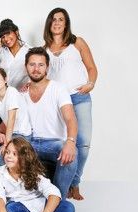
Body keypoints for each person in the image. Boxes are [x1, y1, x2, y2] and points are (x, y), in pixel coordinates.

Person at [44, 8, 98, 200]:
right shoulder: (44, 49)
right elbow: (39, 73)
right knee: (64, 142)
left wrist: (90, 83)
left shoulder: (78, 43)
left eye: (61, 20)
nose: (57, 23)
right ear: (49, 24)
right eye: (53, 20)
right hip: (57, 102)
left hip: (79, 97)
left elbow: (91, 67)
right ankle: (65, 184)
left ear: (66, 23)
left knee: (83, 143)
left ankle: (75, 183)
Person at [23, 47, 78, 199]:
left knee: (71, 155)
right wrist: (1, 133)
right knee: (4, 154)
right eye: (32, 64)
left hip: (53, 143)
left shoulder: (58, 89)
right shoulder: (20, 92)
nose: (36, 69)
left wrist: (71, 141)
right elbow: (10, 117)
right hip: (29, 143)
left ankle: (58, 203)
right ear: (25, 66)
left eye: (40, 65)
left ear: (47, 67)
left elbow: (71, 118)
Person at [0, 138, 75, 212]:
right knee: (10, 211)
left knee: (69, 208)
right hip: (18, 207)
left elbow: (53, 192)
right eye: (7, 152)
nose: (9, 156)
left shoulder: (33, 172)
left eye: (14, 154)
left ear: (24, 158)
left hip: (40, 204)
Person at [0, 67, 32, 184]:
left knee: (1, 155)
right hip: (10, 134)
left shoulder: (12, 92)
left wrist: (7, 144)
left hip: (22, 135)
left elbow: (11, 119)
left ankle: (1, 191)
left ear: (5, 79)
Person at [0, 19, 31, 89]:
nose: (6, 39)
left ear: (16, 32)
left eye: (8, 34)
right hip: (4, 93)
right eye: (3, 37)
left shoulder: (30, 51)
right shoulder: (0, 52)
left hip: (24, 93)